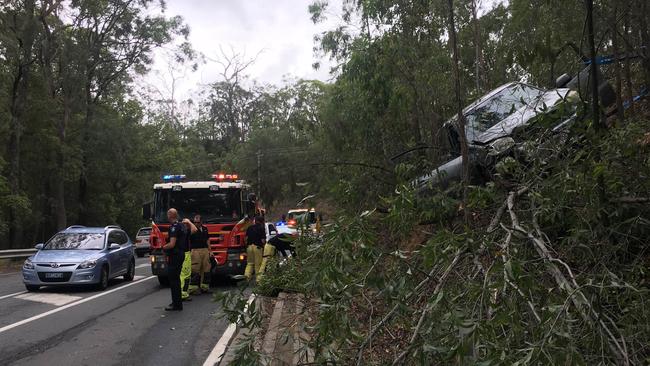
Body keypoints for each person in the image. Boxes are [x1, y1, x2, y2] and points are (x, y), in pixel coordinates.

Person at [162, 208, 186, 311]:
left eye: (168, 214)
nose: (167, 216)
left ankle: (176, 304)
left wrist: (163, 247)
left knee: (174, 280)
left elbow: (172, 244)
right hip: (181, 254)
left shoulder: (174, 227)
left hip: (175, 255)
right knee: (176, 279)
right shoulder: (182, 225)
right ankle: (177, 303)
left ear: (171, 215)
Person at [189, 214, 211, 294]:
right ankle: (193, 288)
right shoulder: (191, 230)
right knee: (195, 268)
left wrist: (210, 250)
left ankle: (204, 287)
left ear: (201, 222)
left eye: (198, 222)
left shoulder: (205, 229)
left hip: (205, 250)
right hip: (195, 250)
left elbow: (207, 240)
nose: (196, 224)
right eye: (195, 222)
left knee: (206, 268)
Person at [180, 217, 197, 301]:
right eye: (186, 224)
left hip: (182, 253)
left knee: (185, 275)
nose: (188, 226)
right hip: (185, 254)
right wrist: (189, 222)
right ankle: (183, 294)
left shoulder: (179, 230)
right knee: (185, 275)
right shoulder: (184, 231)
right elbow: (195, 229)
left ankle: (184, 293)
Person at [244, 215, 266, 279]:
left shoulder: (249, 227)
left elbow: (246, 238)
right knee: (258, 264)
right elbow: (263, 240)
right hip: (257, 247)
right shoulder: (261, 228)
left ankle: (246, 278)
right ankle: (258, 279)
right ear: (262, 221)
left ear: (255, 221)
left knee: (250, 263)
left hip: (249, 247)